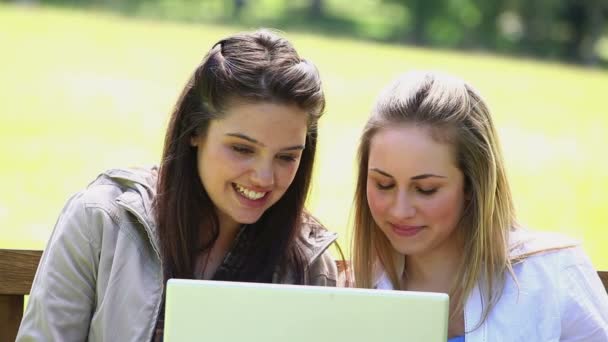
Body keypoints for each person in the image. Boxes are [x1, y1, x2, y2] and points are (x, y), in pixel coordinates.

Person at [17, 29, 340, 341]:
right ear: (194, 132)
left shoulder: (307, 260)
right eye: (242, 149)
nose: (264, 178)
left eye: (286, 157)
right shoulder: (100, 219)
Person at [351, 70, 608, 341]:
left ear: (474, 186)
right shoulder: (358, 291)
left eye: (426, 190)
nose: (400, 210)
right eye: (383, 184)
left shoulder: (552, 276)